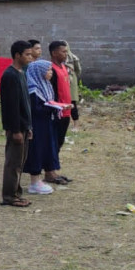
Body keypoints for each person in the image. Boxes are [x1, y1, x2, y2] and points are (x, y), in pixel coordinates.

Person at [0, 41, 34, 208]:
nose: (30, 57)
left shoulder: (21, 73)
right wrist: (16, 130)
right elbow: (11, 107)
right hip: (16, 128)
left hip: (24, 126)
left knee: (20, 162)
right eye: (27, 54)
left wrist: (29, 126)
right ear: (17, 55)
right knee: (13, 163)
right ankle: (9, 196)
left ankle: (16, 192)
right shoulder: (10, 75)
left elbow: (25, 103)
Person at [25, 60, 61, 196]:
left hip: (46, 124)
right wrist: (51, 107)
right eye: (48, 70)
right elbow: (36, 109)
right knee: (37, 150)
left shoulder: (46, 85)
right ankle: (34, 181)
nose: (51, 73)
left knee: (46, 149)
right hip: (37, 125)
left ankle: (39, 178)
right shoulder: (33, 89)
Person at [47, 41, 75, 185]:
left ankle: (53, 170)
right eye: (63, 51)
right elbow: (51, 94)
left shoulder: (64, 67)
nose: (66, 54)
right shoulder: (51, 70)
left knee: (59, 142)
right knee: (53, 143)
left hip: (66, 112)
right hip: (57, 113)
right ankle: (50, 172)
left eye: (66, 51)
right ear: (54, 53)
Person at [67, 49, 83, 131]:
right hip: (62, 82)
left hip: (71, 83)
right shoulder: (57, 60)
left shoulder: (73, 58)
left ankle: (76, 125)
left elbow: (78, 70)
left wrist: (71, 76)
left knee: (72, 103)